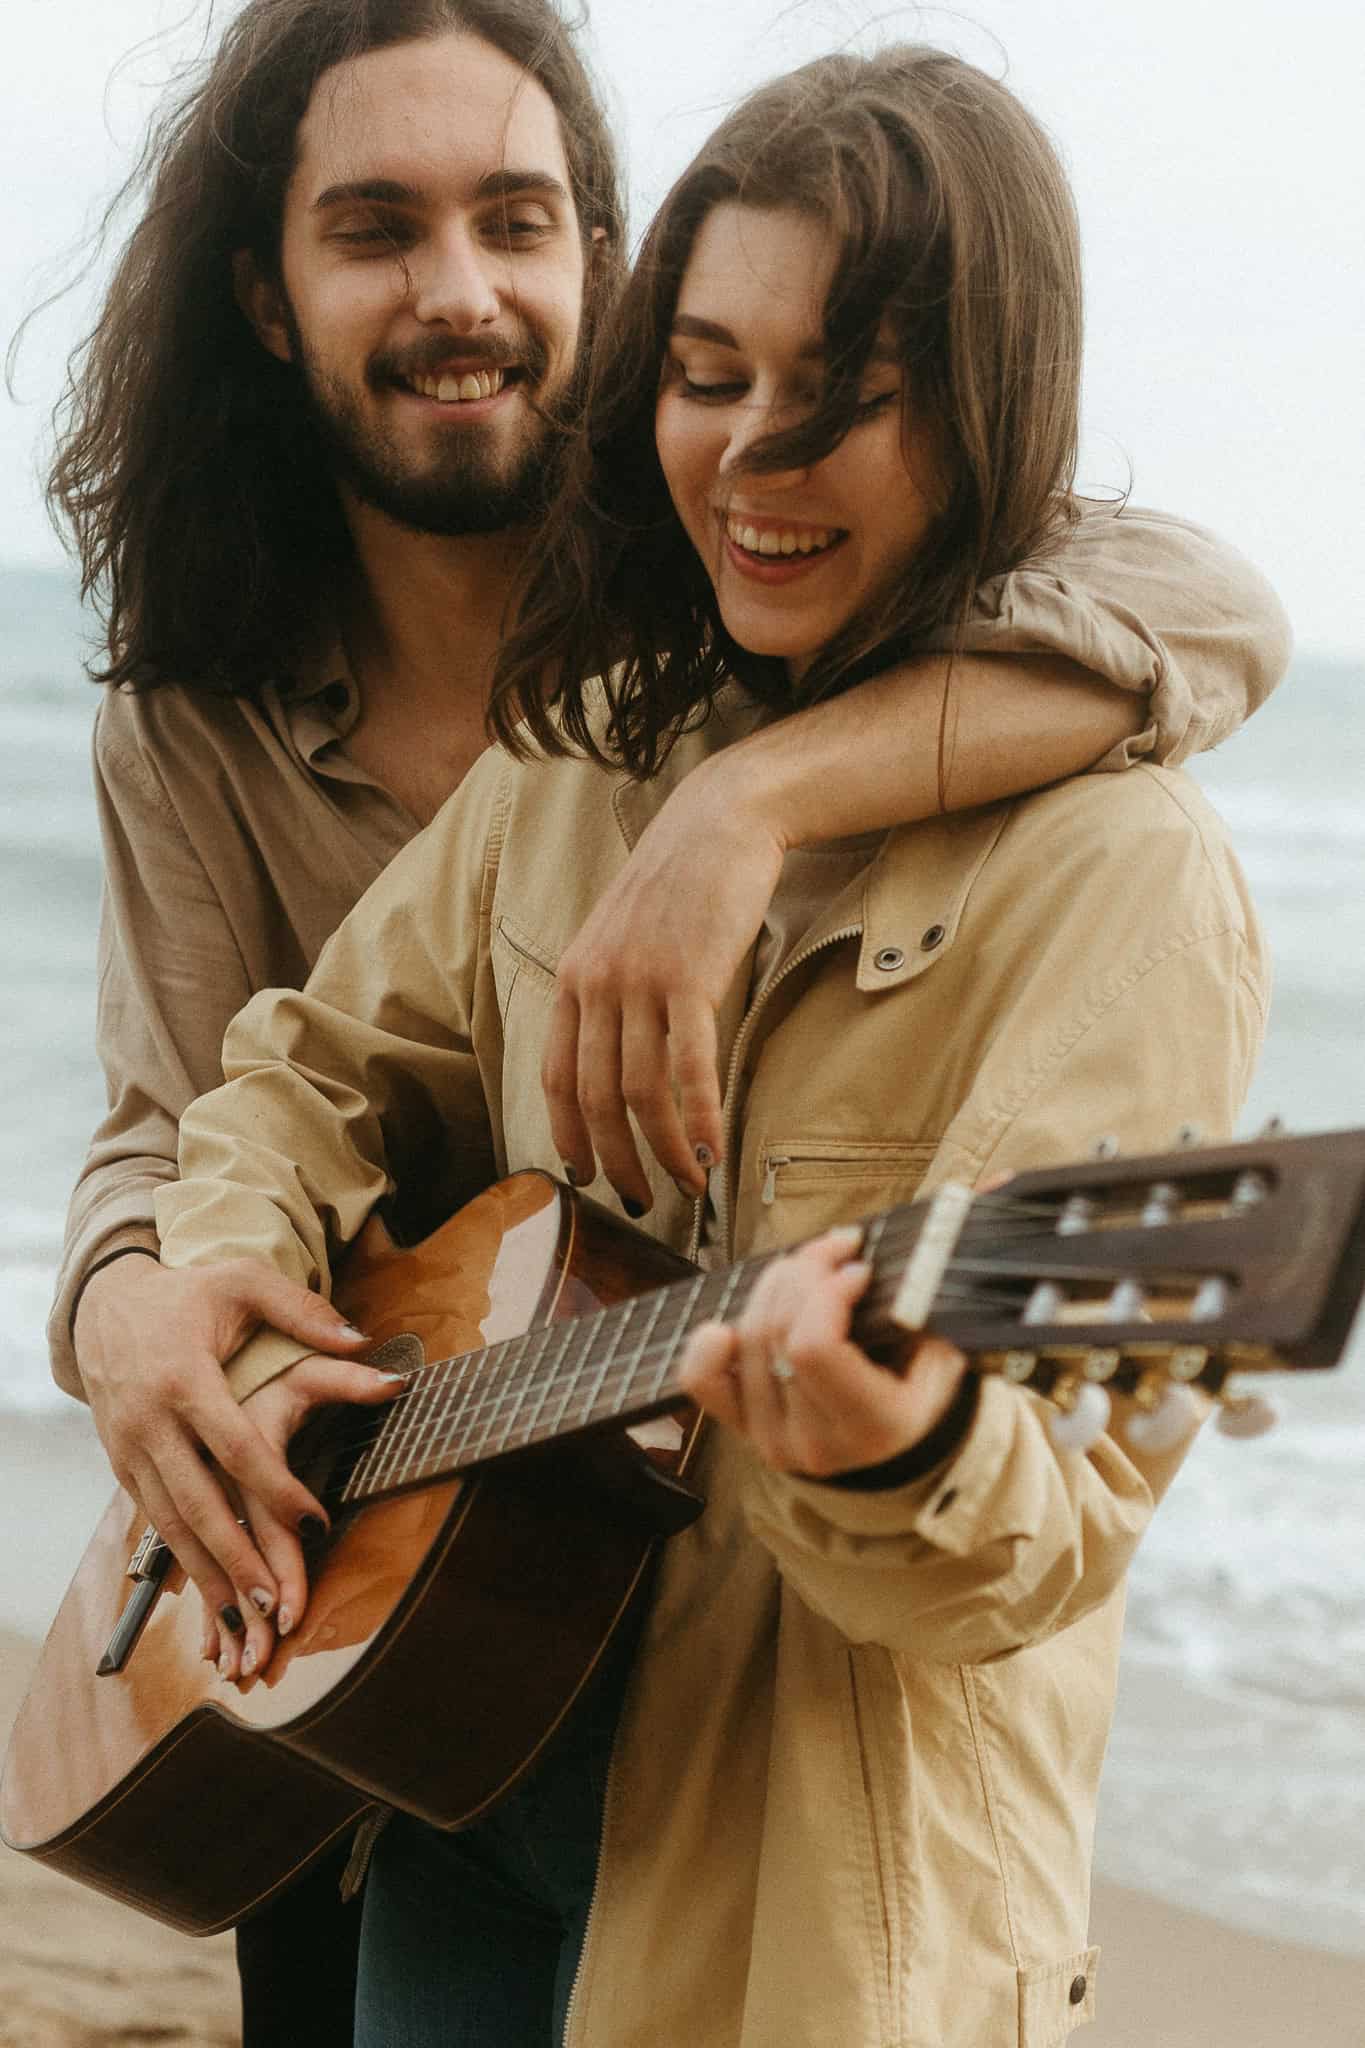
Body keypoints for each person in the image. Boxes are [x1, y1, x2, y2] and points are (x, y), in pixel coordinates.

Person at [145, 39, 1271, 2048]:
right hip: (451, 1757)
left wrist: (899, 1434)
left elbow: (1031, 1546)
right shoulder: (587, 759)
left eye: (843, 394)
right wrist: (229, 1258)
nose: (752, 454)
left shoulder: (1119, 876)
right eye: (705, 371)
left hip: (792, 1891)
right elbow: (302, 1059)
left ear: (993, 402)